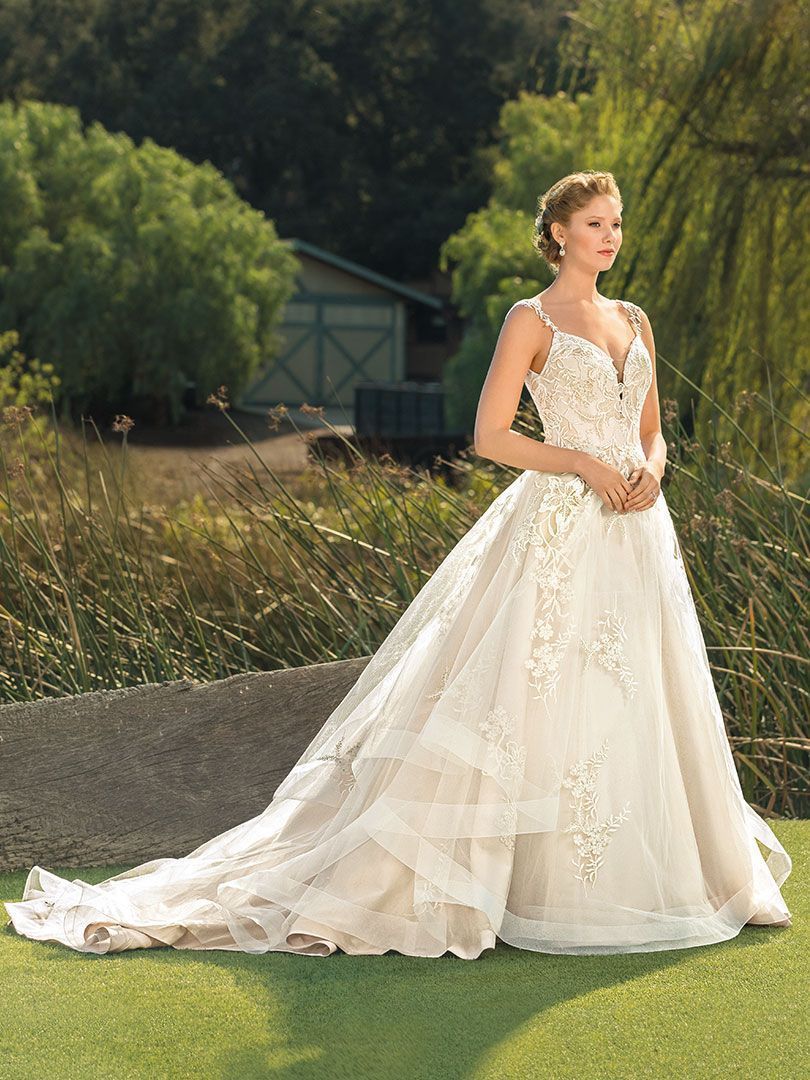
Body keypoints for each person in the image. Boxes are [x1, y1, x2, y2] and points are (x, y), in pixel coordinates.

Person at [4, 170, 792, 957]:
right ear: (558, 234)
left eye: (617, 223)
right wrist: (585, 466)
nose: (610, 237)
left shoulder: (634, 318)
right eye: (594, 224)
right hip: (563, 524)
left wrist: (652, 467)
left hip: (640, 530)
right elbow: (490, 438)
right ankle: (530, 888)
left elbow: (654, 429)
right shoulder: (532, 319)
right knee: (545, 691)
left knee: (643, 691)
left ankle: (680, 879)